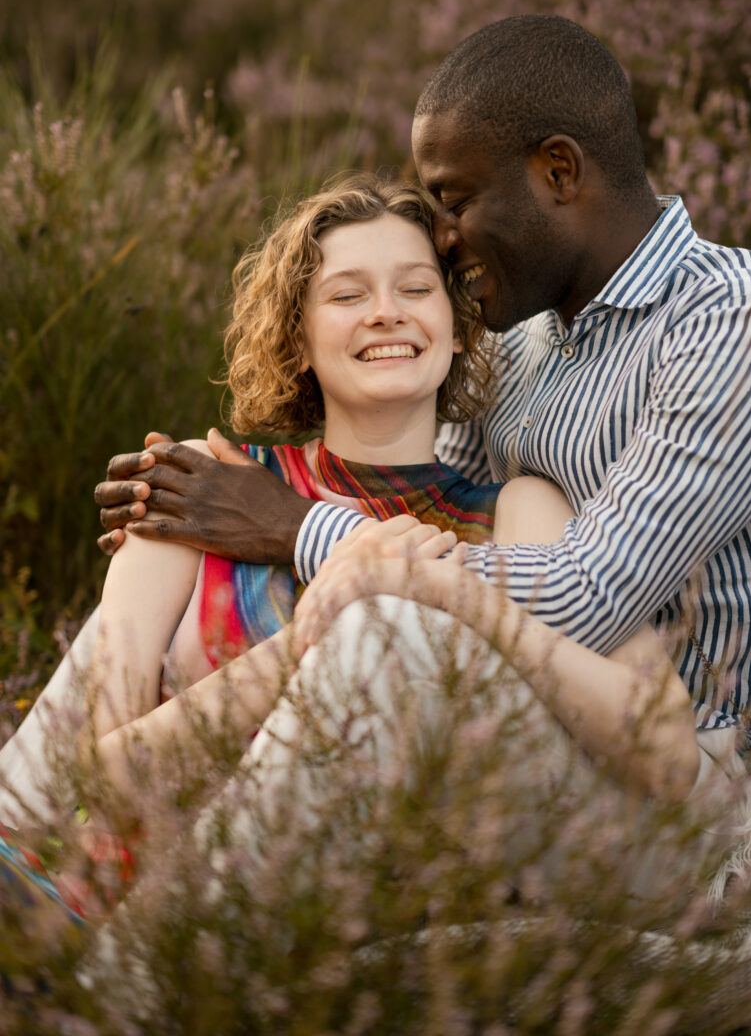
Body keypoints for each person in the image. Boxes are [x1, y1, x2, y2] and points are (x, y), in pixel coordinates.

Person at [90, 15, 751, 840]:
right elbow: (427, 517)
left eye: (456, 199)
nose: (443, 237)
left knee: (382, 641)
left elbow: (587, 598)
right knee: (172, 620)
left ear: (558, 172)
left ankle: (157, 953)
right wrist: (191, 525)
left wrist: (292, 525)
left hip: (718, 769)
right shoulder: (524, 335)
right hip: (556, 718)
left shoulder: (735, 318)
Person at [0, 173, 697, 924]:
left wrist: (455, 599)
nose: (386, 313)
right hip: (152, 916)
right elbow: (98, 784)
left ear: (459, 327)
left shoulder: (516, 515)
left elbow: (663, 749)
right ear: (297, 339)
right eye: (347, 295)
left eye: (415, 289)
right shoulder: (199, 499)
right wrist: (309, 639)